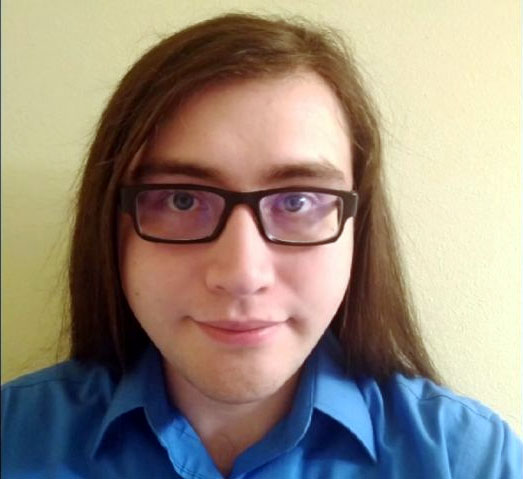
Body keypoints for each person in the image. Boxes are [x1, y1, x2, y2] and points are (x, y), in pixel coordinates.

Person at [2, 12, 521, 479]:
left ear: (357, 230)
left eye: (297, 201)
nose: (242, 274)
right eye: (182, 199)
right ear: (111, 226)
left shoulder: (468, 459)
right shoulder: (12, 438)